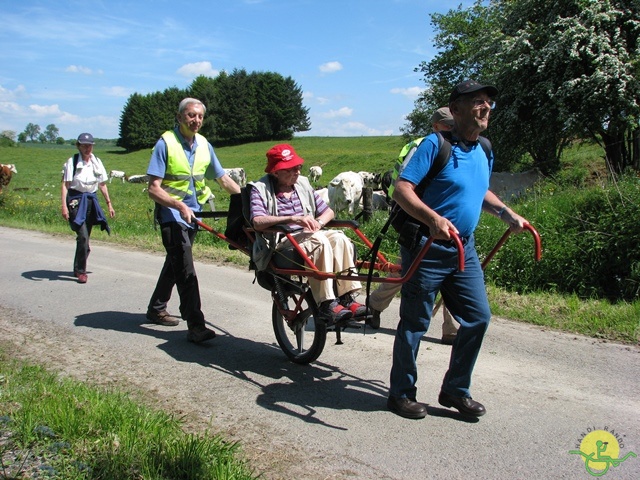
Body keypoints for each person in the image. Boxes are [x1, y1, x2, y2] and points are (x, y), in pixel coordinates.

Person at [387, 80, 529, 420]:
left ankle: (455, 389)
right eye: (478, 102)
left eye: (488, 104)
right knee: (415, 324)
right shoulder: (435, 145)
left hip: (464, 251)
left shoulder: (485, 149)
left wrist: (506, 213)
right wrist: (432, 218)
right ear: (457, 108)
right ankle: (401, 393)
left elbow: (479, 191)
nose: (485, 109)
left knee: (478, 318)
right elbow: (401, 190)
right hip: (426, 248)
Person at [146, 97, 241, 343]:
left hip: (194, 214)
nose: (196, 120)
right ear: (179, 118)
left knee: (176, 260)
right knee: (186, 268)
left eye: (199, 116)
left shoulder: (204, 145)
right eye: (190, 115)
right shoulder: (165, 144)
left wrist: (248, 197)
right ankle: (196, 325)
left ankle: (156, 308)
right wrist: (177, 204)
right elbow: (153, 189)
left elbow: (222, 179)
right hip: (171, 214)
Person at [249, 144, 369, 324]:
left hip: (309, 234)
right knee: (319, 241)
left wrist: (318, 223)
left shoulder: (303, 184)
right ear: (275, 172)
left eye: (298, 167)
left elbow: (328, 212)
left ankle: (346, 297)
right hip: (281, 241)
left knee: (340, 238)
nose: (297, 172)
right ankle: (326, 303)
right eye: (290, 169)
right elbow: (257, 221)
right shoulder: (259, 188)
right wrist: (292, 218)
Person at [369, 107, 459, 345]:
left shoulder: (462, 145)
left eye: (455, 124)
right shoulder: (425, 146)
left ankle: (451, 328)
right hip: (417, 220)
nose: (453, 128)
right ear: (436, 126)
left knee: (451, 271)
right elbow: (404, 186)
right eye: (448, 124)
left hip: (449, 222)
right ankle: (375, 304)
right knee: (410, 272)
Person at [61, 133, 115, 284]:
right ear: (78, 146)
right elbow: (65, 185)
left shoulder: (96, 162)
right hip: (76, 202)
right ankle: (81, 271)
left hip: (91, 200)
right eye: (84, 145)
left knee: (85, 237)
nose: (87, 148)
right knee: (83, 236)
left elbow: (102, 184)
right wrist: (64, 206)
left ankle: (79, 262)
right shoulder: (72, 162)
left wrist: (109, 204)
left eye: (89, 145)